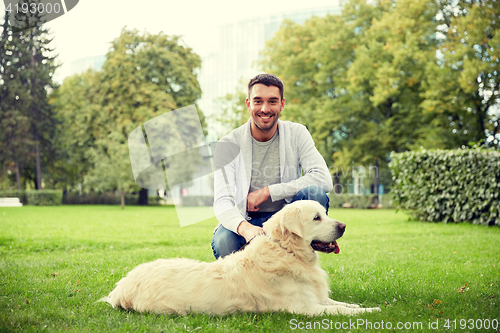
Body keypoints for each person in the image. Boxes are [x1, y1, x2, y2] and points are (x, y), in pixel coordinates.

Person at [211, 73, 333, 259]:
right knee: (223, 242)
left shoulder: (297, 133)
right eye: (258, 101)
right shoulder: (227, 145)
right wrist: (246, 229)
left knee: (314, 194)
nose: (265, 109)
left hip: (287, 218)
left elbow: (323, 179)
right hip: (247, 219)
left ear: (282, 104)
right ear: (248, 104)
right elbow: (222, 201)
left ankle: (298, 264)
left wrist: (269, 191)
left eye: (272, 101)